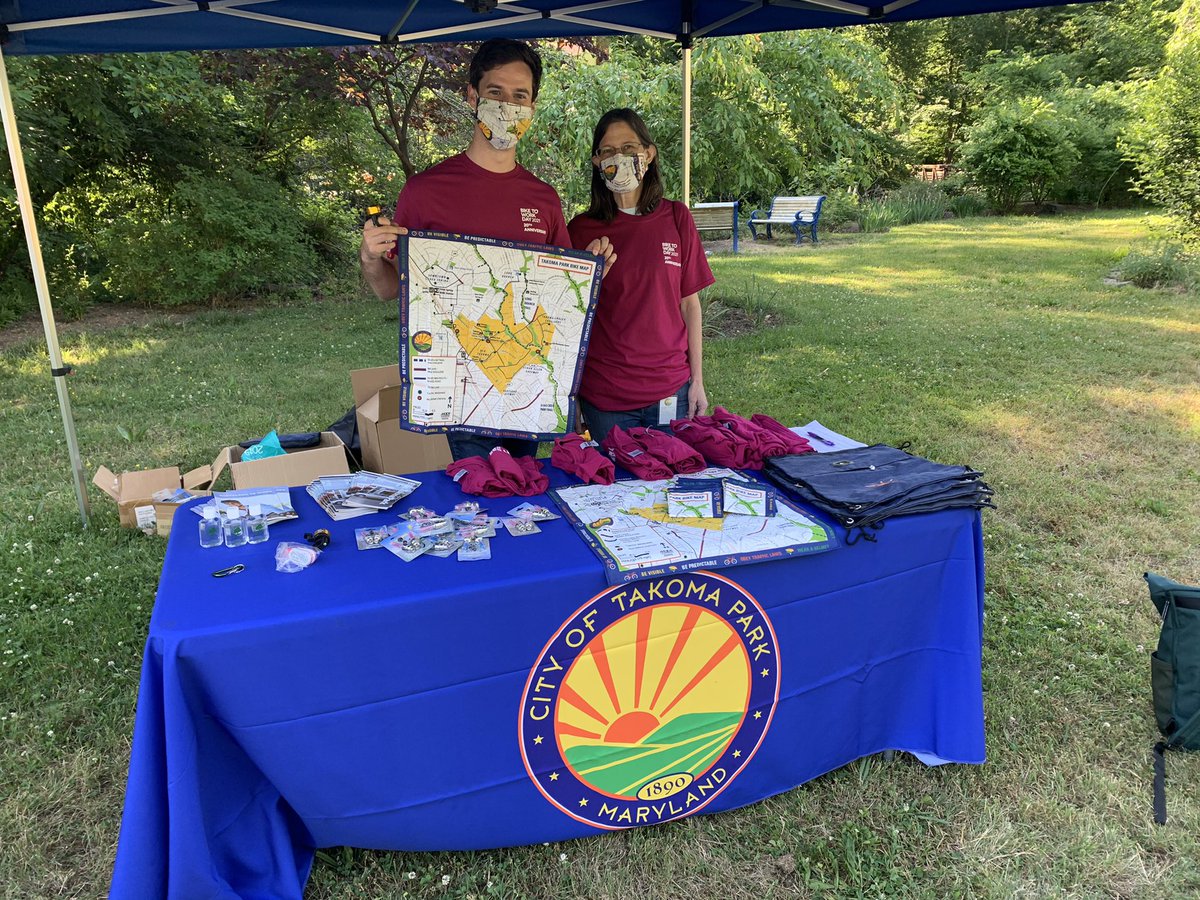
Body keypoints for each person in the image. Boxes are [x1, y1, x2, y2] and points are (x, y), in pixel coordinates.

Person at [359, 38, 615, 461]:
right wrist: (370, 256)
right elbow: (390, 290)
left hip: (528, 385)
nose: (508, 106)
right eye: (496, 93)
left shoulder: (544, 198)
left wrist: (588, 272)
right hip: (460, 390)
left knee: (524, 501)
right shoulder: (425, 192)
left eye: (521, 96)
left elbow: (560, 297)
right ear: (473, 96)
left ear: (532, 107)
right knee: (479, 500)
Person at [567, 108, 714, 444]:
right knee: (616, 493)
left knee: (670, 487)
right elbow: (569, 319)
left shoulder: (676, 218)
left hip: (671, 391)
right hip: (606, 398)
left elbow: (689, 305)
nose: (619, 157)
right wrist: (571, 394)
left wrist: (698, 381)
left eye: (630, 148)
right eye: (608, 151)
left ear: (649, 154)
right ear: (596, 161)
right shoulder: (580, 231)